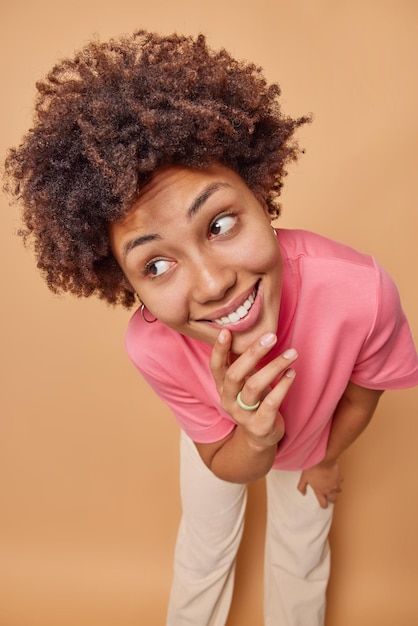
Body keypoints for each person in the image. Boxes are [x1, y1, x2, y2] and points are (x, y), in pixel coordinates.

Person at [4, 30, 418, 626]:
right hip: (221, 439)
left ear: (261, 193)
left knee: (303, 549)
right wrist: (252, 435)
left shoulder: (361, 291)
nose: (213, 284)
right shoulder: (154, 345)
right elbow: (225, 458)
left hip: (314, 441)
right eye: (157, 264)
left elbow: (361, 393)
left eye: (220, 224)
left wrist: (325, 454)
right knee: (205, 547)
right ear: (127, 284)